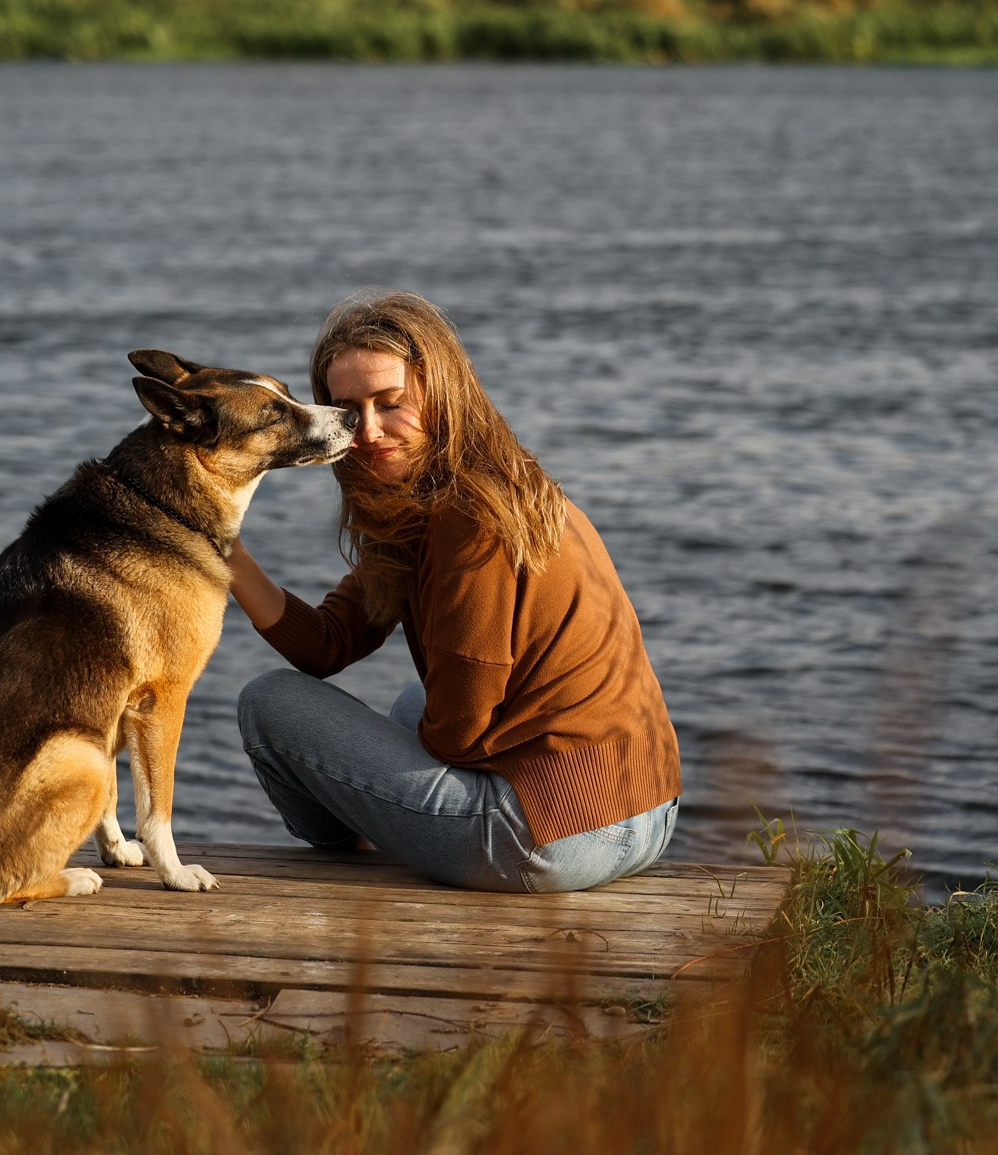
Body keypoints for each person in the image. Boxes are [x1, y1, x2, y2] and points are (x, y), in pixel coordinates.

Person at [227, 291, 682, 892]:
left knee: (270, 703)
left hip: (551, 840)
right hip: (645, 810)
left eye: (391, 404)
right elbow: (327, 645)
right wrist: (221, 546)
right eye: (347, 409)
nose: (366, 431)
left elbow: (462, 732)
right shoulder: (464, 490)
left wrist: (380, 765)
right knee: (412, 703)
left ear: (443, 395)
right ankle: (391, 822)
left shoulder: (469, 522)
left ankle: (348, 847)